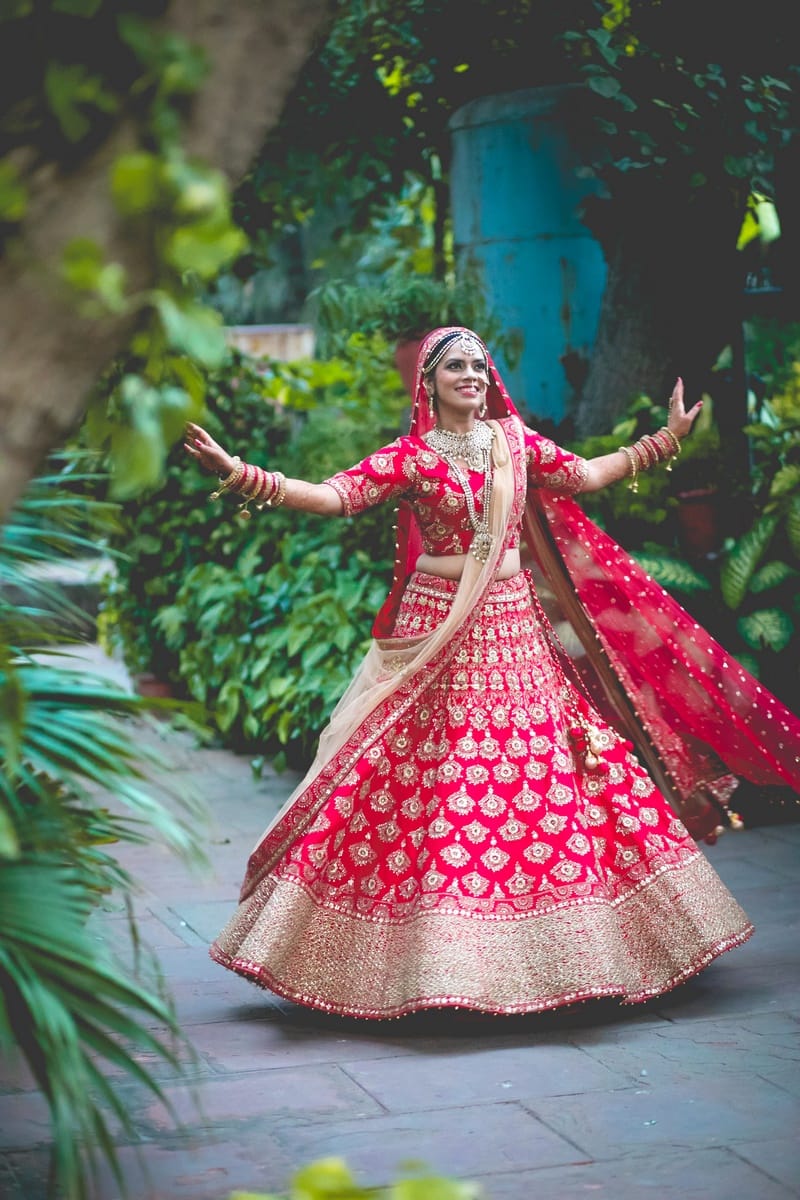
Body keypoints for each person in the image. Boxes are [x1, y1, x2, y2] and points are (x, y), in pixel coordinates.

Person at [184, 326, 800, 1019]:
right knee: (431, 773)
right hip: (438, 626)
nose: (472, 375)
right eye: (456, 366)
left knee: (537, 768)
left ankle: (573, 954)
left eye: (480, 365)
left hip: (511, 625)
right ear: (430, 382)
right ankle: (437, 961)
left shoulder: (514, 441)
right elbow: (334, 496)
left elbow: (587, 475)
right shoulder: (412, 458)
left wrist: (666, 440)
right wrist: (242, 475)